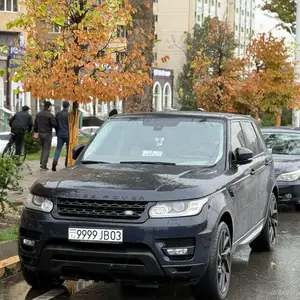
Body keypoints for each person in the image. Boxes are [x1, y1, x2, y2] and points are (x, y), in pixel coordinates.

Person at [34, 101, 57, 170]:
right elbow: (55, 124)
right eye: (51, 106)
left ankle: (41, 162)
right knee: (47, 149)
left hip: (40, 133)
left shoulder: (38, 114)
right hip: (47, 134)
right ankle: (44, 165)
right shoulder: (50, 115)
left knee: (43, 148)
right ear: (49, 106)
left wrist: (36, 132)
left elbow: (35, 125)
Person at [52, 101, 70, 172]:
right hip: (68, 134)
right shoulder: (69, 114)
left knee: (58, 148)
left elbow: (55, 124)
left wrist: (57, 131)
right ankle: (66, 164)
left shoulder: (58, 114)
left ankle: (55, 162)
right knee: (68, 150)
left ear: (63, 106)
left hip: (60, 133)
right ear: (68, 106)